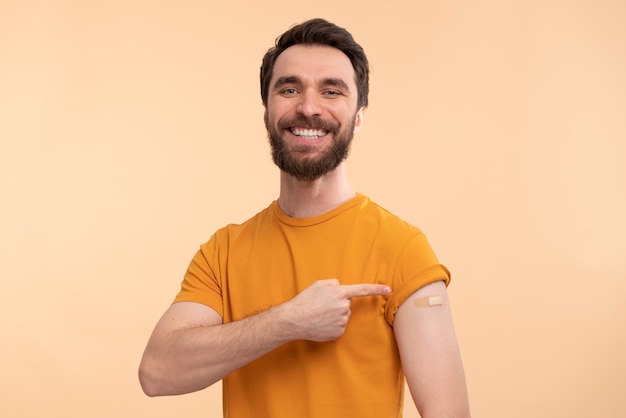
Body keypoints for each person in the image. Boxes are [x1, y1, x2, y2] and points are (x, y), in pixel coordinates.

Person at [139, 18, 471, 418]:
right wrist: (288, 321)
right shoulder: (223, 252)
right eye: (290, 89)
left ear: (359, 117)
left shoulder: (402, 249)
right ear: (267, 112)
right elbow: (157, 373)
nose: (308, 107)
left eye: (331, 91)